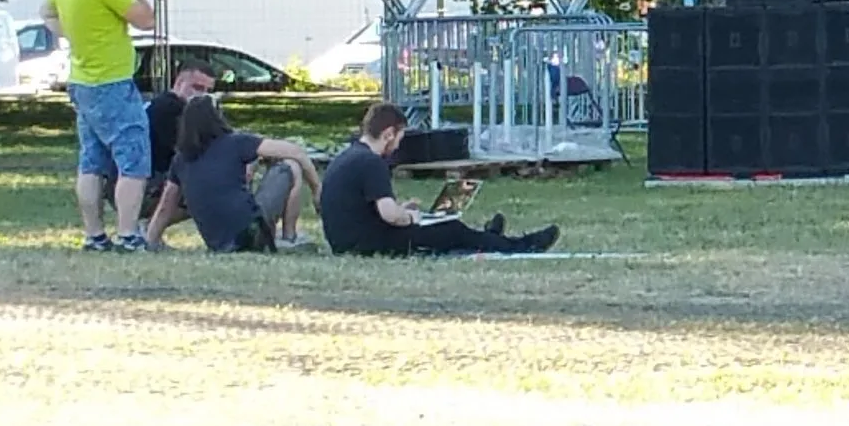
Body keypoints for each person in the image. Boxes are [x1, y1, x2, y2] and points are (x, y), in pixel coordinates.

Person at [42, 0, 157, 252]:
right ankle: (128, 235)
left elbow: (46, 13)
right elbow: (147, 20)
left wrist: (77, 35)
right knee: (133, 159)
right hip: (113, 83)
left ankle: (95, 236)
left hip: (82, 82)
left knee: (91, 161)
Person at [319, 104, 558, 257]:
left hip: (347, 241)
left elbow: (365, 208)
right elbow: (390, 216)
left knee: (445, 227)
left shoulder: (349, 156)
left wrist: (402, 209)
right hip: (367, 245)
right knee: (449, 228)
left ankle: (489, 238)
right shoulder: (371, 162)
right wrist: (409, 217)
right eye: (400, 137)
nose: (399, 144)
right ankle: (519, 246)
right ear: (388, 134)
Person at [168, 95, 323, 253]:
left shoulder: (181, 160)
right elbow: (294, 151)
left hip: (218, 243)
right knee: (291, 166)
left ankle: (282, 237)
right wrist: (317, 188)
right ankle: (289, 237)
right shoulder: (235, 143)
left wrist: (152, 239)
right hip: (250, 235)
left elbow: (165, 206)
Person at [139, 62, 217, 250]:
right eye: (197, 87)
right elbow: (191, 151)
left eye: (208, 91)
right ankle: (150, 226)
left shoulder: (164, 104)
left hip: (144, 180)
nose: (202, 95)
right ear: (179, 82)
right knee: (208, 192)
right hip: (147, 183)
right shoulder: (169, 110)